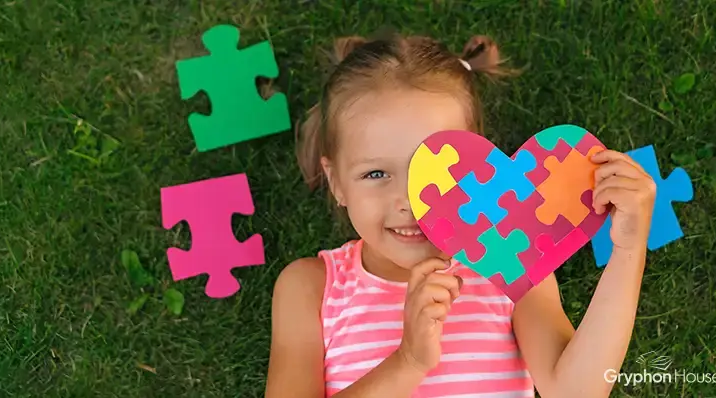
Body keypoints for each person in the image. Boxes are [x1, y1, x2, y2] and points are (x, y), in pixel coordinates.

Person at [265, 31, 656, 398]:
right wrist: (408, 363)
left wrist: (627, 252)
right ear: (336, 182)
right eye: (376, 173)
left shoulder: (510, 263)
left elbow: (576, 390)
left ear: (480, 166)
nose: (409, 200)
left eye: (435, 172)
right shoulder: (311, 289)